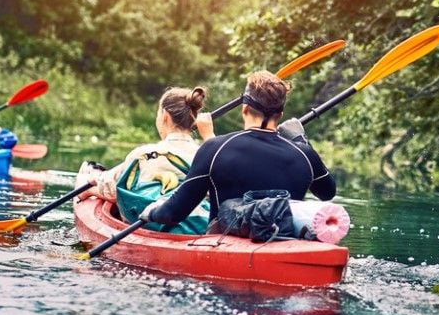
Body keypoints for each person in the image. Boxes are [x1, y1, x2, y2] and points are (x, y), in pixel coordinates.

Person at [139, 70, 336, 229]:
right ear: (280, 114)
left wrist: (151, 211)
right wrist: (301, 140)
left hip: (224, 247)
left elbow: (172, 214)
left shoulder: (215, 148)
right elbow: (328, 193)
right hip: (283, 242)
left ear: (244, 109)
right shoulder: (304, 154)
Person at [77, 86, 215, 202]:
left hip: (153, 222)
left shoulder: (144, 154)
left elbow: (111, 189)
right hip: (196, 225)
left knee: (86, 180)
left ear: (165, 116)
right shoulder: (209, 157)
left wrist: (91, 184)